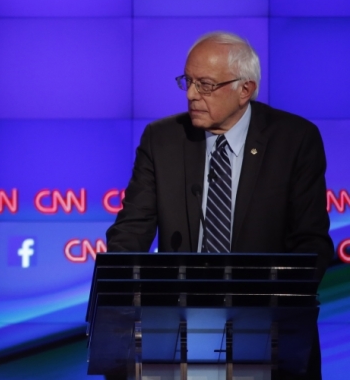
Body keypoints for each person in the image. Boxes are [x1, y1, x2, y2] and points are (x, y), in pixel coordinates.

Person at [105, 31, 334, 378]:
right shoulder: (163, 139)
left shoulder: (294, 140)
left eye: (206, 85)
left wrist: (269, 305)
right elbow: (129, 233)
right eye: (188, 81)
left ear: (246, 90)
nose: (192, 95)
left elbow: (312, 244)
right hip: (177, 331)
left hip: (264, 331)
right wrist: (126, 299)